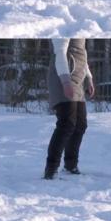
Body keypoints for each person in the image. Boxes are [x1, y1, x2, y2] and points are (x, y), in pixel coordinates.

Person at [44, 39, 95, 180]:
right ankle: (51, 169)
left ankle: (70, 165)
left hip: (78, 80)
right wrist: (66, 82)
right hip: (63, 78)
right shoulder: (64, 26)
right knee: (66, 124)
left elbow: (81, 54)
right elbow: (60, 53)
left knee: (80, 125)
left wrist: (89, 78)